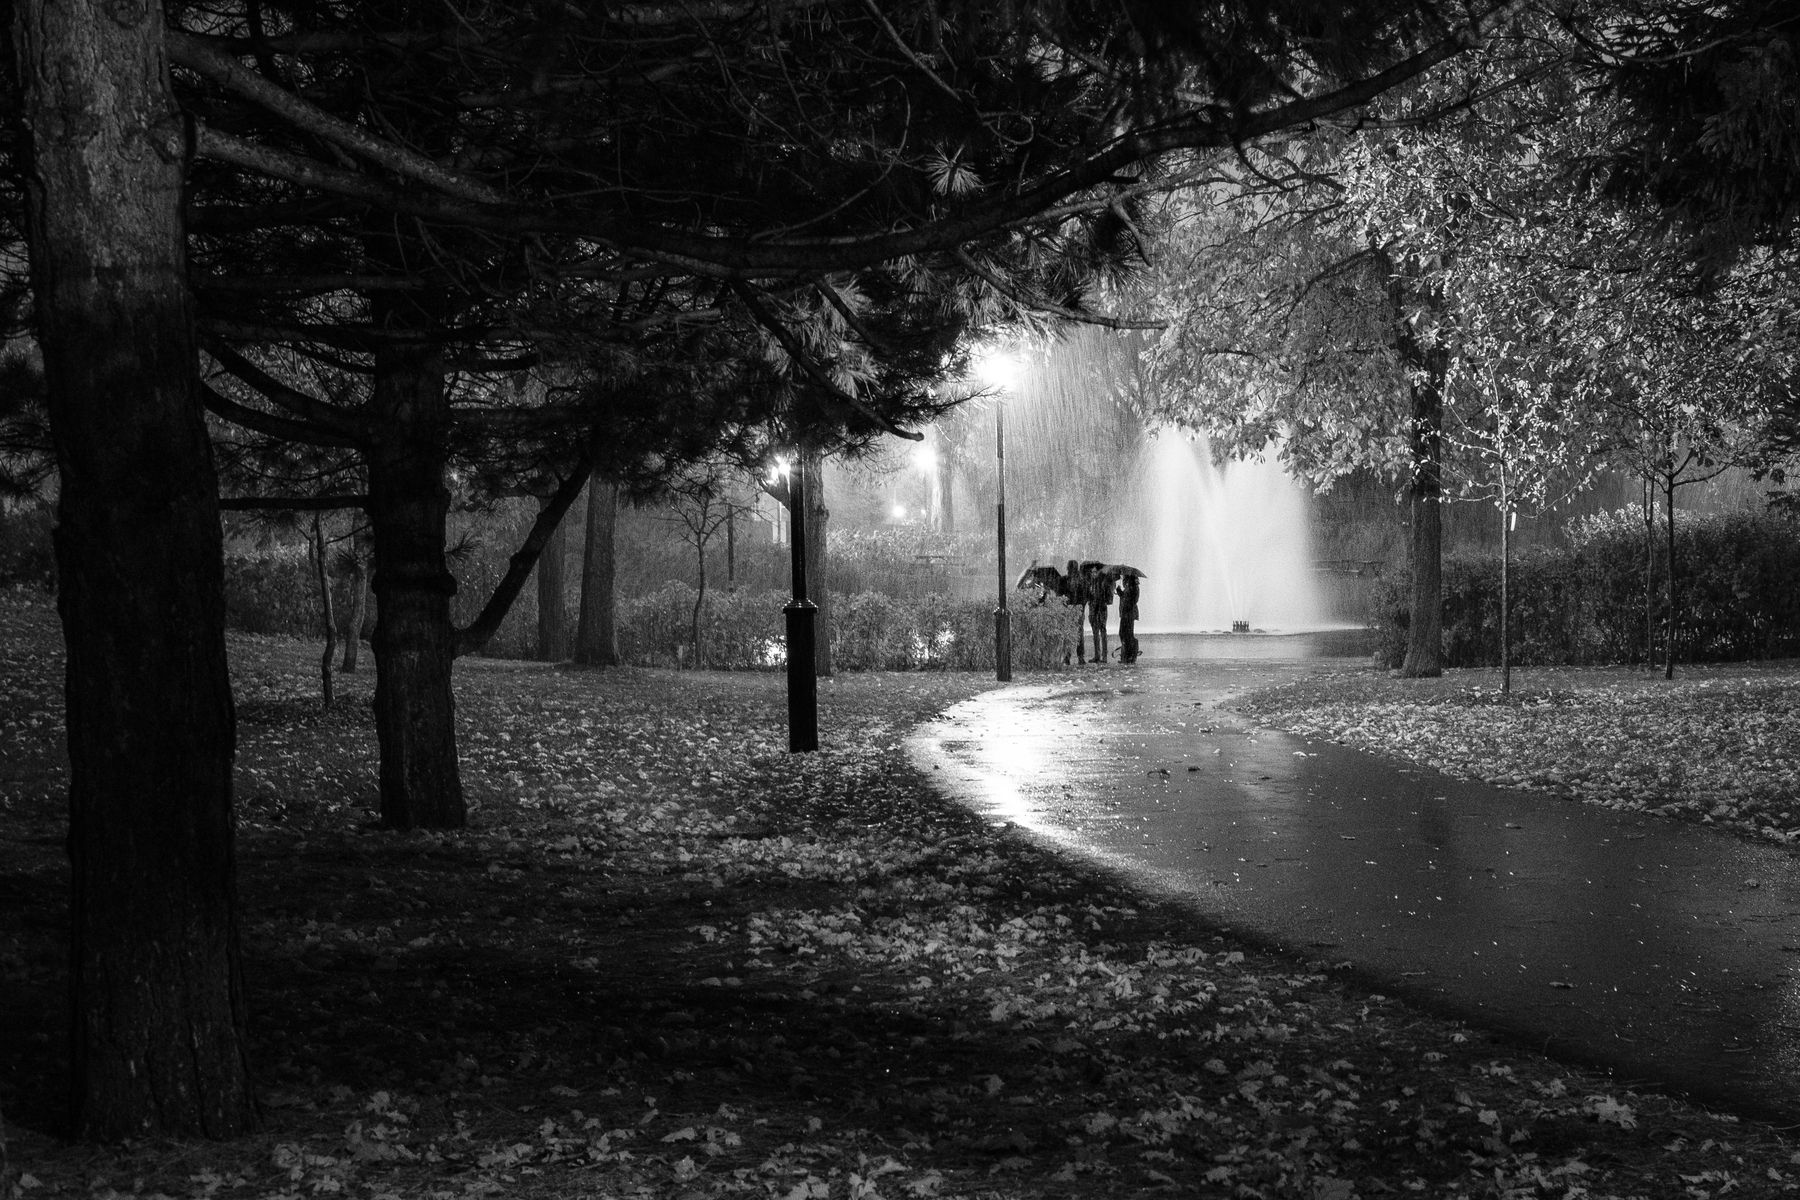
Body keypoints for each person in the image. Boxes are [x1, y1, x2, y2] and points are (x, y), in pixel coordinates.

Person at [1116, 573, 1141, 664]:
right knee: (1125, 634)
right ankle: (1128, 655)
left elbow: (1131, 600)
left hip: (1128, 614)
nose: (1123, 580)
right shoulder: (1131, 587)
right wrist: (1120, 592)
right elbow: (1125, 598)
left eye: (1124, 578)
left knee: (1126, 634)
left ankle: (1129, 656)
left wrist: (1121, 593)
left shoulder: (1133, 587)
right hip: (1127, 613)